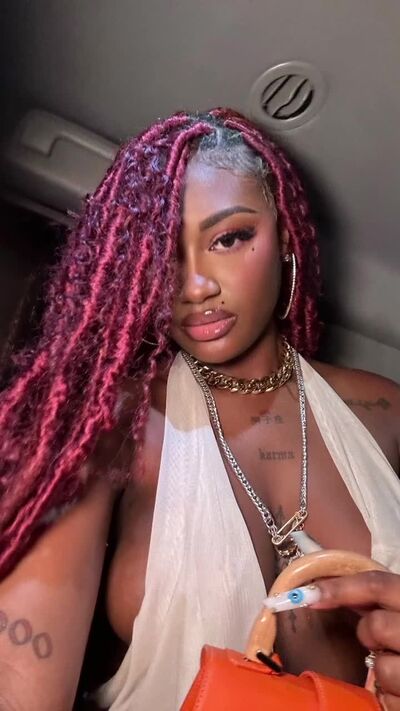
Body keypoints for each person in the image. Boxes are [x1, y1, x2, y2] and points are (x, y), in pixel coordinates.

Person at [0, 108, 399, 711]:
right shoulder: (105, 425)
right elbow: (17, 680)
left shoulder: (384, 411)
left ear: (285, 237)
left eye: (229, 238)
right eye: (162, 254)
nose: (194, 287)